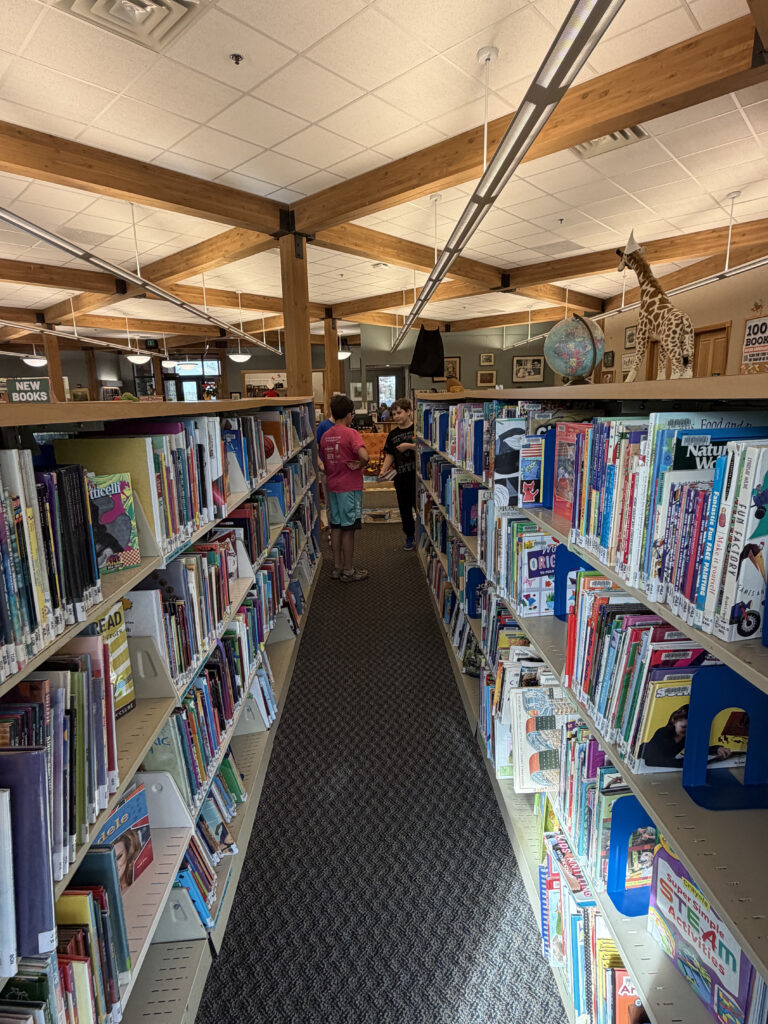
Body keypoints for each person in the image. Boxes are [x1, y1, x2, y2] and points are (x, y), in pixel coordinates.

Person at [319, 393, 369, 581]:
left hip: (332, 486)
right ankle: (349, 570)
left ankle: (337, 567)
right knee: (349, 529)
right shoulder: (351, 433)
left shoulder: (325, 436)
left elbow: (325, 461)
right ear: (349, 414)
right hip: (349, 487)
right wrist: (360, 464)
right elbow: (364, 456)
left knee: (336, 527)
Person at [639, 704, 732, 769]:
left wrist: (717, 749)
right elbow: (651, 760)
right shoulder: (662, 733)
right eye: (684, 727)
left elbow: (697, 748)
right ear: (673, 721)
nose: (688, 731)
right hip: (640, 758)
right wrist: (683, 762)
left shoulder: (685, 736)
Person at [379, 397, 417, 550]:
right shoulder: (392, 434)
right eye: (394, 414)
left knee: (419, 507)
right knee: (404, 509)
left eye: (399, 413)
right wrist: (383, 470)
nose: (396, 416)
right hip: (401, 477)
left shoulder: (417, 429)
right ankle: (409, 536)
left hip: (417, 477)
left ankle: (424, 535)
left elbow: (425, 447)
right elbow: (390, 455)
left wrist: (409, 446)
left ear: (408, 412)